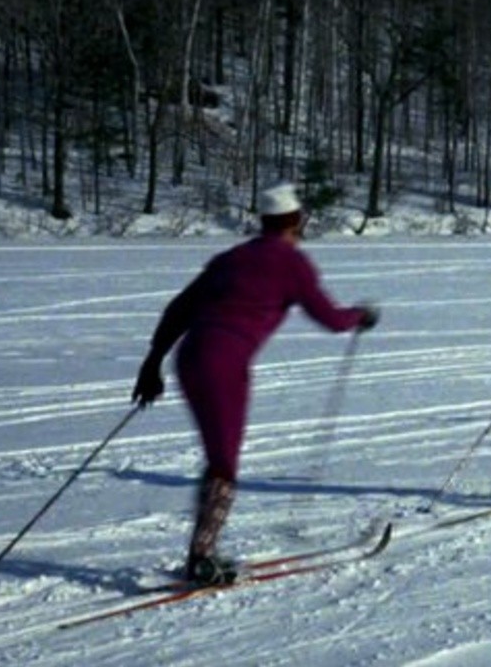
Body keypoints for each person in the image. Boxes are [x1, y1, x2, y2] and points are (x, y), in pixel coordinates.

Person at [131, 182, 378, 585]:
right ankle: (201, 558)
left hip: (190, 355)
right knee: (224, 464)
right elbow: (330, 319)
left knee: (219, 460)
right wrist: (360, 316)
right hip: (224, 362)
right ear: (296, 221)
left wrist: (152, 362)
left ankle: (202, 552)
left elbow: (179, 309)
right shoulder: (292, 263)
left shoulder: (231, 258)